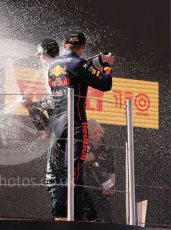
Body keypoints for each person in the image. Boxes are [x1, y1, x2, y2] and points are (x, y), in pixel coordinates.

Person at [45, 31, 114, 221]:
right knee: (73, 171)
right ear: (83, 48)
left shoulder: (52, 65)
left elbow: (76, 65)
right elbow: (105, 85)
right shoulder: (80, 64)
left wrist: (95, 60)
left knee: (69, 171)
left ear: (65, 45)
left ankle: (77, 215)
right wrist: (107, 65)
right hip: (75, 124)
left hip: (58, 125)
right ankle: (62, 213)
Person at [83, 119, 115, 222]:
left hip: (102, 189)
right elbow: (72, 162)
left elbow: (111, 169)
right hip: (85, 189)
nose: (96, 135)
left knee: (106, 219)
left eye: (97, 132)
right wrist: (84, 159)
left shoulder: (107, 147)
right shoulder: (82, 145)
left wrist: (111, 187)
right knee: (86, 219)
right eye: (92, 133)